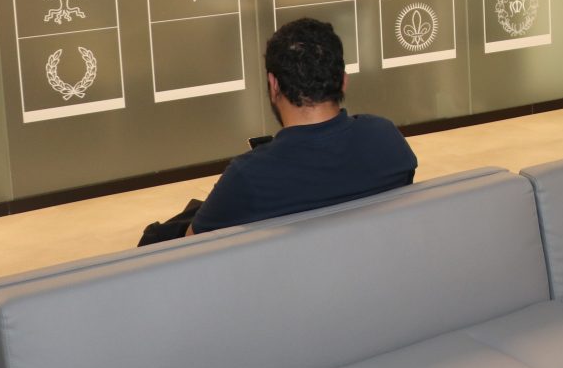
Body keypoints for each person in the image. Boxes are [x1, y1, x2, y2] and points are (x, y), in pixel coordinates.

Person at [137, 18, 418, 242]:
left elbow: (188, 251)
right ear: (343, 81)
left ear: (274, 85)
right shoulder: (386, 139)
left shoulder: (248, 177)